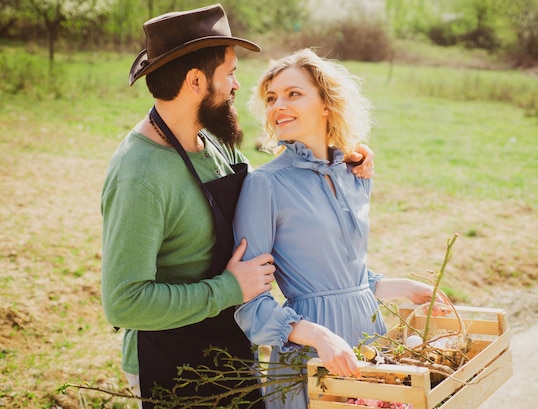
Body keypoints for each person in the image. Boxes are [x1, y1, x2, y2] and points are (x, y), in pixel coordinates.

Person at [100, 5, 374, 408]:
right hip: (173, 364)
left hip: (229, 349)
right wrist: (229, 288)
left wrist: (342, 157)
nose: (235, 85)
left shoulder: (206, 141)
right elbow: (124, 302)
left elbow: (279, 189)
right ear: (196, 81)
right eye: (229, 73)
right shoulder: (141, 173)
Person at [233, 49, 449, 409]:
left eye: (293, 93)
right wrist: (319, 337)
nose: (277, 106)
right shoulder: (265, 185)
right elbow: (250, 303)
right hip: (311, 359)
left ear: (326, 104)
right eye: (271, 98)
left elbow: (347, 278)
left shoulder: (354, 174)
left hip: (370, 344)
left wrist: (404, 288)